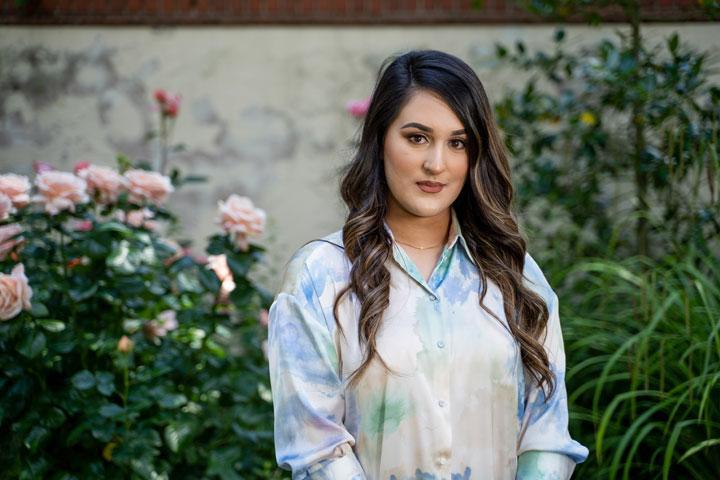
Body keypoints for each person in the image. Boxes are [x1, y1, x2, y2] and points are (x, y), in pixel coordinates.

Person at [267, 49, 589, 479]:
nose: (437, 164)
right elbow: (317, 450)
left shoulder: (515, 274)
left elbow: (546, 437)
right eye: (417, 137)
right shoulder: (319, 278)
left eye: (457, 143)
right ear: (380, 138)